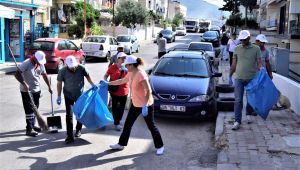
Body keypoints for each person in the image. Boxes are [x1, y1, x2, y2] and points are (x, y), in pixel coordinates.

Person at [101, 55, 164, 155]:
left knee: (151, 126)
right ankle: (121, 144)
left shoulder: (141, 74)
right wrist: (108, 83)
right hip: (135, 104)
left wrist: (145, 105)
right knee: (128, 124)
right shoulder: (130, 73)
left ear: (132, 65)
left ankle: (160, 146)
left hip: (146, 105)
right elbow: (121, 81)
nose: (125, 67)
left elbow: (148, 90)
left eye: (127, 65)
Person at [56, 55, 96, 144]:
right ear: (67, 65)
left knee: (80, 113)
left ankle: (78, 129)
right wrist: (59, 96)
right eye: (71, 67)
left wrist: (92, 84)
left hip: (80, 95)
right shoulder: (62, 71)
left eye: (74, 66)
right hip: (68, 95)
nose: (73, 68)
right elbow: (59, 83)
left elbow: (87, 76)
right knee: (69, 115)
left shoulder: (81, 68)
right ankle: (69, 136)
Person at [229, 30, 262, 130]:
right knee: (238, 100)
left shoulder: (256, 49)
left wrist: (261, 71)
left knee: (250, 98)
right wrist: (230, 75)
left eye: (244, 39)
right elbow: (234, 63)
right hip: (238, 78)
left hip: (251, 78)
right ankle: (237, 121)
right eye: (241, 39)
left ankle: (248, 113)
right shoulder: (237, 48)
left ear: (249, 38)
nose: (243, 41)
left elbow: (259, 62)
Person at [15, 51, 52, 137]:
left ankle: (33, 125)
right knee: (29, 110)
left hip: (36, 90)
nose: (40, 63)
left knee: (35, 108)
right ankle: (29, 129)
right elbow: (17, 74)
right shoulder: (26, 63)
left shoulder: (40, 64)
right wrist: (24, 83)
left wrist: (49, 86)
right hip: (26, 90)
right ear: (34, 58)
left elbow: (44, 74)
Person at [104, 52, 129, 131]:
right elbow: (106, 75)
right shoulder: (112, 67)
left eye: (125, 58)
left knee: (121, 108)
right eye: (122, 58)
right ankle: (116, 123)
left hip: (124, 91)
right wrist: (105, 81)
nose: (124, 60)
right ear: (118, 59)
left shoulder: (127, 68)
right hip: (114, 91)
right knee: (115, 107)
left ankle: (118, 120)